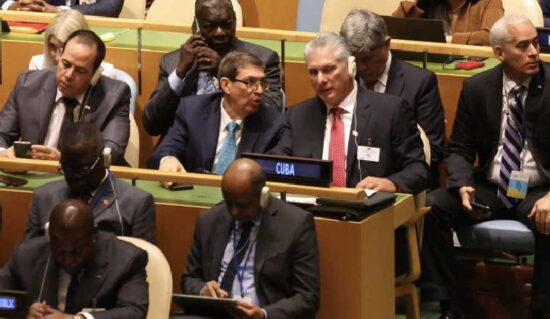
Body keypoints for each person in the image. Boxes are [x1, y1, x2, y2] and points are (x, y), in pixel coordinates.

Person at [420, 15, 550, 318]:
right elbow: (460, 148)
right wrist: (462, 184)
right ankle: (446, 304)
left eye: (535, 42)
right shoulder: (478, 88)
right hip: (491, 187)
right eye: (523, 45)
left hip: (539, 190)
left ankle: (541, 311)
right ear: (499, 53)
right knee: (433, 206)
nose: (534, 51)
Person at [284, 32, 429, 194]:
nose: (321, 80)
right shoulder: (296, 116)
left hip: (369, 211)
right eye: (313, 72)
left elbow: (418, 170)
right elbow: (278, 168)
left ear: (350, 67)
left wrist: (391, 183)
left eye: (329, 69)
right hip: (309, 211)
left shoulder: (390, 111)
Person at [181, 158, 320, 319]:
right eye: (228, 202)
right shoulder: (209, 220)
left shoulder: (295, 225)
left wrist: (264, 314)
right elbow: (189, 278)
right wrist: (202, 289)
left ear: (263, 196)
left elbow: (308, 298)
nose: (233, 212)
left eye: (242, 205)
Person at [142, 0, 283, 138]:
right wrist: (180, 72)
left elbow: (272, 115)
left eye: (226, 24)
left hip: (239, 144)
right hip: (181, 150)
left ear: (234, 20)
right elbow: (152, 125)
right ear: (196, 25)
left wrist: (223, 71)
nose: (219, 32)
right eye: (210, 26)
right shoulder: (173, 62)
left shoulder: (263, 59)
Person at [147, 51, 289, 185]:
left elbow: (275, 174)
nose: (259, 90)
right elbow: (165, 150)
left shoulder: (274, 124)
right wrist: (168, 159)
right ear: (226, 85)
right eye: (249, 82)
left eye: (262, 83)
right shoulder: (192, 110)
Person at [340, 9, 445, 188]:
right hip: (351, 183)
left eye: (368, 59)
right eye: (355, 60)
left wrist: (390, 181)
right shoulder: (345, 82)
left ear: (386, 44)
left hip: (400, 184)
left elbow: (433, 150)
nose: (362, 68)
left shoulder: (420, 83)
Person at [0, 199, 148, 319]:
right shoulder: (26, 254)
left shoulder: (127, 260)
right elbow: (2, 300)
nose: (68, 259)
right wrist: (24, 310)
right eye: (60, 250)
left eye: (77, 251)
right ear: (49, 237)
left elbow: (134, 312)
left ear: (94, 235)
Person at [0, 30, 130, 165]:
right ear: (60, 55)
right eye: (66, 64)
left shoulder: (114, 96)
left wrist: (65, 160)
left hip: (83, 180)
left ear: (95, 73)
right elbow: (2, 133)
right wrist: (3, 153)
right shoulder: (28, 84)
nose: (68, 75)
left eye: (80, 70)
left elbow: (111, 152)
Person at [26, 122, 156, 243]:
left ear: (104, 159)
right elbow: (29, 256)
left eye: (82, 169)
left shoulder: (136, 203)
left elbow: (141, 260)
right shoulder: (43, 197)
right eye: (67, 168)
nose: (74, 176)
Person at [29, 9, 116, 79]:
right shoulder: (38, 65)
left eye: (64, 47)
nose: (58, 57)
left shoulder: (106, 74)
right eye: (52, 46)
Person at [392, 0, 504, 46]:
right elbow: (393, 30)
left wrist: (448, 40)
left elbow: (493, 37)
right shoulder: (427, 2)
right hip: (428, 69)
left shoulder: (489, 1)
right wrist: (413, 2)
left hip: (473, 70)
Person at [0, 0, 123, 17]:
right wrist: (11, 5)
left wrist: (58, 11)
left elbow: (110, 7)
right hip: (23, 30)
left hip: (81, 34)